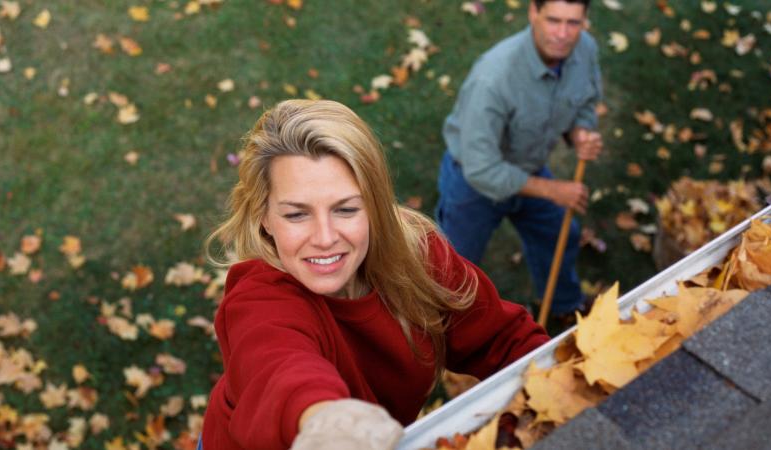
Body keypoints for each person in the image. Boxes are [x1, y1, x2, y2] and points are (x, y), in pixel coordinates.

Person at [200, 99, 549, 449]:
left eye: (346, 209)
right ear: (263, 216)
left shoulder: (417, 255)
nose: (325, 238)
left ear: (375, 206)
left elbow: (504, 340)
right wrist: (327, 422)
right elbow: (280, 369)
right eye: (296, 215)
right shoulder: (259, 300)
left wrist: (555, 392)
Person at [435, 0, 603, 319]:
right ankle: (445, 328)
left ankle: (564, 305)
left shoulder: (585, 50)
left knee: (560, 235)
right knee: (452, 270)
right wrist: (552, 190)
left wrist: (580, 132)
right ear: (533, 13)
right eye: (553, 20)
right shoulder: (493, 79)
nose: (563, 34)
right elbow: (482, 168)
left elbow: (586, 101)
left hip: (528, 165)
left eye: (573, 23)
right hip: (473, 183)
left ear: (584, 21)